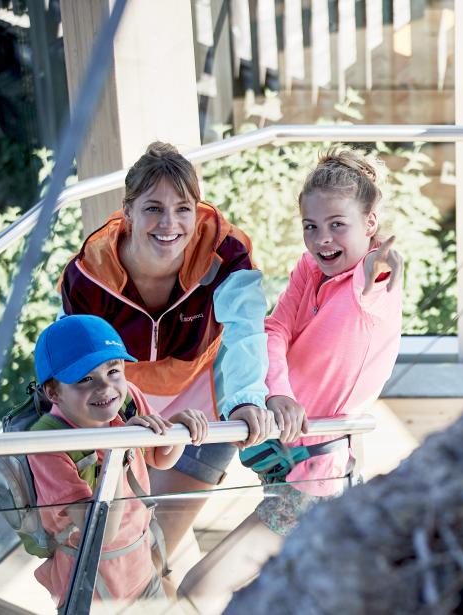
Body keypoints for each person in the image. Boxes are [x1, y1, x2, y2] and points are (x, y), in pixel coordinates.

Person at [179, 147, 403, 613]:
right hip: (283, 461)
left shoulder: (372, 282)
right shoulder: (309, 269)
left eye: (337, 224)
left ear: (371, 224)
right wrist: (278, 393)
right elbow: (275, 329)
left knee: (199, 590)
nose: (322, 240)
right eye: (311, 226)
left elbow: (377, 277)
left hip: (315, 480)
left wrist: (379, 267)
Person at [58, 142, 274, 556]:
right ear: (128, 211)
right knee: (123, 553)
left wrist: (246, 399)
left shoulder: (225, 253)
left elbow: (246, 329)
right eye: (153, 208)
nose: (169, 223)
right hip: (127, 401)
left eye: (183, 208)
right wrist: (124, 420)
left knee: (156, 551)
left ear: (197, 210)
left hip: (205, 395)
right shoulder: (89, 274)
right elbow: (78, 364)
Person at [27, 315, 209, 608]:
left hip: (140, 566)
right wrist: (121, 447)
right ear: (53, 393)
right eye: (85, 378)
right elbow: (101, 533)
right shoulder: (47, 444)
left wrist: (175, 428)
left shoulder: (126, 400)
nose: (105, 388)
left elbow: (161, 459)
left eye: (113, 371)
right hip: (93, 590)